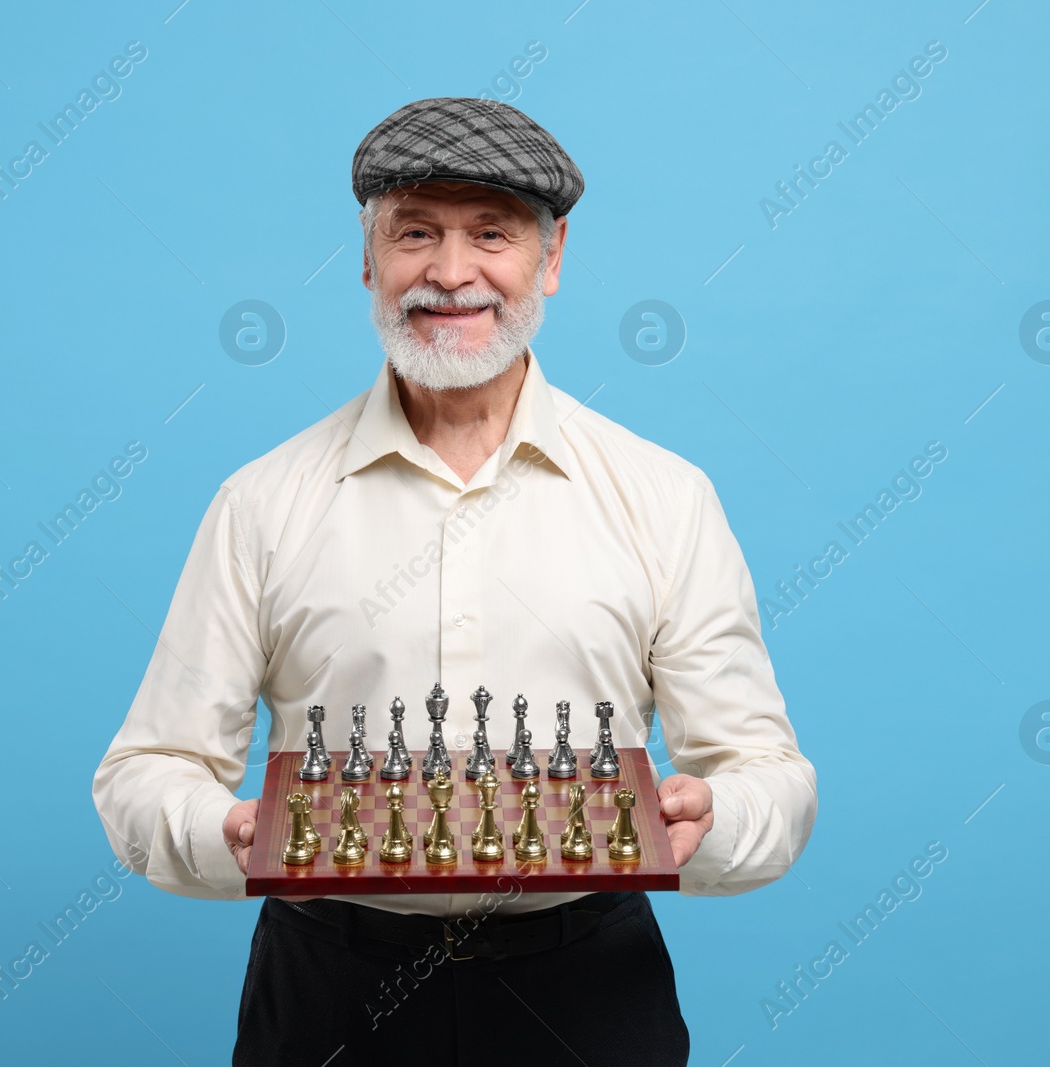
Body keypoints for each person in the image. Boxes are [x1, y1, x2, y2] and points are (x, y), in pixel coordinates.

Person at [91, 96, 816, 1066]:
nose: (449, 271)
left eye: (490, 233)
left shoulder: (664, 497)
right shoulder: (261, 502)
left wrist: (716, 819)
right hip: (327, 988)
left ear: (551, 260)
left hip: (587, 986)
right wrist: (223, 829)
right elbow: (143, 774)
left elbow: (768, 772)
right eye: (415, 233)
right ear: (366, 260)